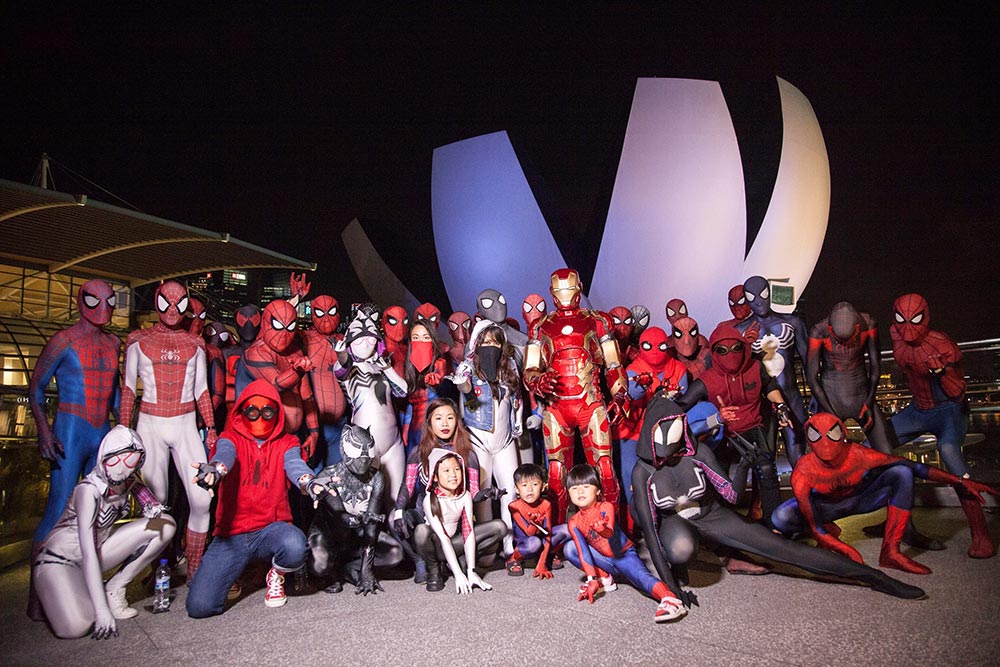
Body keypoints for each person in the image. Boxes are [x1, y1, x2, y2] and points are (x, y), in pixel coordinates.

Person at [630, 396, 928, 611]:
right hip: (675, 523)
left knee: (783, 549)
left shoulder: (698, 453)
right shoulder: (642, 472)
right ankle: (688, 563)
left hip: (712, 515)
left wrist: (743, 467)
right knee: (681, 547)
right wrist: (670, 589)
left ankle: (873, 577)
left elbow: (731, 496)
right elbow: (652, 533)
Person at [772, 413, 999, 574]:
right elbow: (815, 527)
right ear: (809, 440)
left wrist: (959, 481)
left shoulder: (858, 454)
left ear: (843, 434)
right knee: (780, 517)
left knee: (901, 473)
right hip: (826, 509)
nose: (825, 442)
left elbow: (911, 466)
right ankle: (834, 531)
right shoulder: (803, 471)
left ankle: (890, 551)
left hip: (861, 500)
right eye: (816, 435)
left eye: (832, 434)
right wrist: (846, 550)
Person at [27, 279, 122, 620]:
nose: (103, 308)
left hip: (101, 431)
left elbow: (114, 391)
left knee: (98, 511)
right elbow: (36, 388)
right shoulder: (63, 340)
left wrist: (123, 427)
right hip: (70, 427)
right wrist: (44, 431)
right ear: (81, 301)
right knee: (58, 508)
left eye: (110, 300)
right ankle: (38, 598)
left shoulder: (114, 342)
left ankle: (82, 586)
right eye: (95, 300)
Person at [185, 379, 315, 617]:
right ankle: (233, 573)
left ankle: (276, 574)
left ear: (276, 412)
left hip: (270, 530)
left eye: (267, 412)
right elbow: (225, 456)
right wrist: (215, 470)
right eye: (252, 412)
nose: (260, 418)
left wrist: (309, 482)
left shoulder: (288, 442)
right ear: (242, 411)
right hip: (232, 535)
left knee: (295, 545)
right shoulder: (230, 438)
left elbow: (294, 465)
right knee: (199, 607)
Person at [34, 426, 175, 639]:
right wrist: (101, 611)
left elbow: (152, 504)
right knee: (77, 626)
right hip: (59, 561)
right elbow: (87, 551)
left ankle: (114, 588)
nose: (121, 468)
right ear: (103, 457)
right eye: (115, 460)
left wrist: (150, 504)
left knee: (166, 525)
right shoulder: (88, 491)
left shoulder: (130, 481)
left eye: (131, 461)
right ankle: (81, 592)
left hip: (98, 551)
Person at [120, 279, 216, 581]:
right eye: (167, 302)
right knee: (156, 501)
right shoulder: (138, 339)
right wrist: (123, 430)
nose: (173, 309)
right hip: (150, 423)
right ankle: (159, 568)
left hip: (185, 424)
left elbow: (201, 390)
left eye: (180, 303)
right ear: (157, 301)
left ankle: (195, 567)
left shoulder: (196, 344)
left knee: (202, 499)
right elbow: (128, 388)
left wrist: (211, 427)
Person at [888, 293, 995, 558]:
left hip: (949, 411)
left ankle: (980, 533)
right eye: (902, 319)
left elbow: (958, 392)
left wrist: (942, 373)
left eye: (914, 320)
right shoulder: (895, 335)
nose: (907, 328)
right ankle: (896, 521)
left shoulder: (941, 344)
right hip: (918, 409)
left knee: (950, 453)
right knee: (875, 443)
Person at [523, 268, 628, 522]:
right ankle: (558, 534)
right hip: (557, 408)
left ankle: (612, 530)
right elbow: (530, 370)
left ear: (579, 290)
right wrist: (537, 381)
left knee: (604, 470)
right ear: (552, 293)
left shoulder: (598, 321)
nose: (566, 296)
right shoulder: (540, 327)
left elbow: (613, 364)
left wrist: (620, 394)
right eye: (560, 291)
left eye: (569, 289)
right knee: (556, 474)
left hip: (590, 405)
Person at [561, 464, 686, 623]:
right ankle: (605, 578)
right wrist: (592, 579)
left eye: (586, 486)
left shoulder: (605, 507)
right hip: (604, 559)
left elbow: (609, 532)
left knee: (642, 578)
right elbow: (583, 552)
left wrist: (603, 529)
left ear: (598, 490)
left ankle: (670, 599)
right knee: (570, 548)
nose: (580, 491)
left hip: (624, 556)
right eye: (574, 488)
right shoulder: (574, 522)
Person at [392, 398, 489, 582]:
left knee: (492, 532)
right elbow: (407, 486)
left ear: (457, 421)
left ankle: (453, 558)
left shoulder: (468, 454)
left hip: (454, 524)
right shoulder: (419, 452)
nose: (445, 423)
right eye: (439, 418)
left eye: (450, 418)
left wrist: (486, 494)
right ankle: (421, 560)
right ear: (429, 422)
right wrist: (398, 512)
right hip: (426, 517)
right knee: (394, 518)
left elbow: (474, 493)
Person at [307, 424, 403, 595]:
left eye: (366, 458)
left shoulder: (377, 478)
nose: (363, 462)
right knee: (319, 564)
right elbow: (341, 517)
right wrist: (362, 519)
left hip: (357, 535)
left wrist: (366, 570)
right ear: (345, 451)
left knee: (395, 553)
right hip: (329, 533)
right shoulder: (328, 476)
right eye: (358, 457)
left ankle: (349, 568)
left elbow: (371, 527)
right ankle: (332, 570)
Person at [454, 321, 522, 542]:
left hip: (505, 440)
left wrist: (518, 420)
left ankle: (510, 545)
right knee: (482, 495)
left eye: (495, 342)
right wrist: (464, 385)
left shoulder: (510, 367)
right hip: (478, 440)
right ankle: (489, 545)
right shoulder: (467, 367)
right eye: (485, 342)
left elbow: (517, 398)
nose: (490, 347)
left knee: (510, 492)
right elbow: (467, 396)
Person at [335, 308, 409, 503]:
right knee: (365, 505)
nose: (366, 343)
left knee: (395, 501)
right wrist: (342, 355)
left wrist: (387, 368)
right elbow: (341, 369)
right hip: (363, 443)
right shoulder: (348, 368)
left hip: (393, 440)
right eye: (358, 339)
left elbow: (403, 391)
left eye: (370, 338)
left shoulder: (380, 365)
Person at [413, 449, 507, 593]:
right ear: (435, 476)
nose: (453, 475)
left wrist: (471, 571)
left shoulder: (465, 496)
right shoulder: (430, 500)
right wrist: (458, 575)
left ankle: (462, 561)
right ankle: (434, 568)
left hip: (457, 543)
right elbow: (443, 538)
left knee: (499, 527)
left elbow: (468, 533)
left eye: (457, 469)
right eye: (446, 471)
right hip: (438, 546)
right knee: (421, 531)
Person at [506, 463, 569, 577]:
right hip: (525, 542)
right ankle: (514, 558)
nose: (529, 489)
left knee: (567, 529)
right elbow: (529, 533)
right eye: (524, 485)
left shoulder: (546, 504)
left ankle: (546, 555)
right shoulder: (514, 506)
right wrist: (534, 523)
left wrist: (541, 564)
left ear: (543, 486)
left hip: (542, 540)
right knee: (534, 543)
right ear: (516, 489)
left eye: (535, 484)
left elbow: (548, 534)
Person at [402, 317, 450, 454]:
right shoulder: (409, 368)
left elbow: (442, 386)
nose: (421, 341)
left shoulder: (439, 364)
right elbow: (411, 403)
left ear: (433, 340)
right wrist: (406, 427)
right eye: (416, 337)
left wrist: (437, 379)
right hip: (414, 430)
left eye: (426, 337)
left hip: (435, 429)